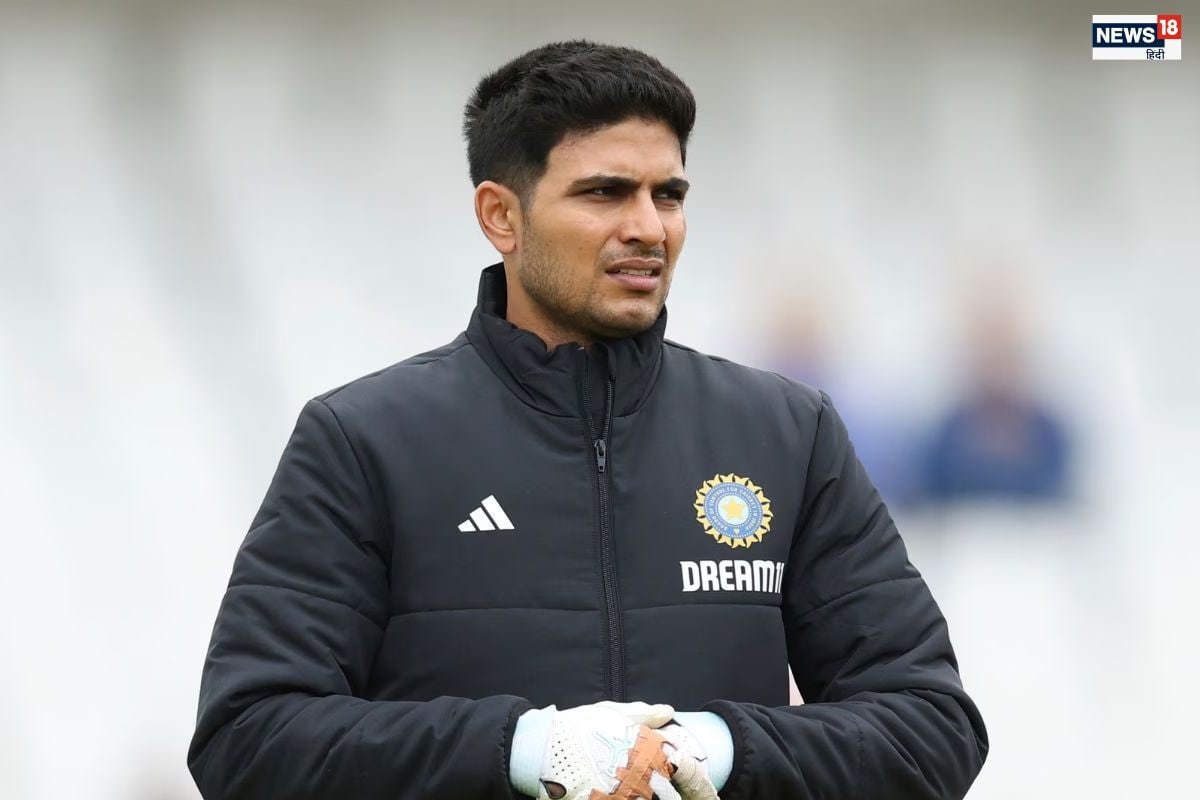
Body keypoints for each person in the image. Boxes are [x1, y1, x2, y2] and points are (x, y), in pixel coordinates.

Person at [188, 40, 987, 800]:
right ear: (501, 216)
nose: (648, 227)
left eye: (668, 195)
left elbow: (930, 727)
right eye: (605, 192)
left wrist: (717, 749)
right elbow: (249, 738)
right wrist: (520, 751)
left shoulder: (787, 432)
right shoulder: (365, 440)